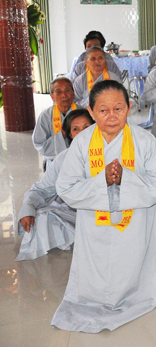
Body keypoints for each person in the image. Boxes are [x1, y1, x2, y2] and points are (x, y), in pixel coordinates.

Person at [52, 80, 156, 333]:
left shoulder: (144, 140)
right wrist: (102, 181)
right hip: (94, 228)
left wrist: (126, 179)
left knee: (134, 270)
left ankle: (137, 291)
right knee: (97, 277)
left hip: (136, 224)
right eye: (103, 110)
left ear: (129, 108)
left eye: (118, 109)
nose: (111, 116)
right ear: (91, 111)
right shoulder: (82, 142)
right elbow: (65, 188)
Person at [17, 109, 94, 261]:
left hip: (108, 212)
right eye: (76, 129)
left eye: (87, 127)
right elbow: (42, 189)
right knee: (42, 217)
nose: (82, 133)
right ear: (70, 135)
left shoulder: (111, 153)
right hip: (76, 213)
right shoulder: (63, 158)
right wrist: (28, 208)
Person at [33, 77, 77, 167]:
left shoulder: (83, 112)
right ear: (52, 97)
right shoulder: (45, 116)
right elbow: (39, 144)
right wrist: (62, 135)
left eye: (67, 90)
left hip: (79, 160)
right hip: (54, 162)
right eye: (58, 91)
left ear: (73, 93)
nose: (64, 95)